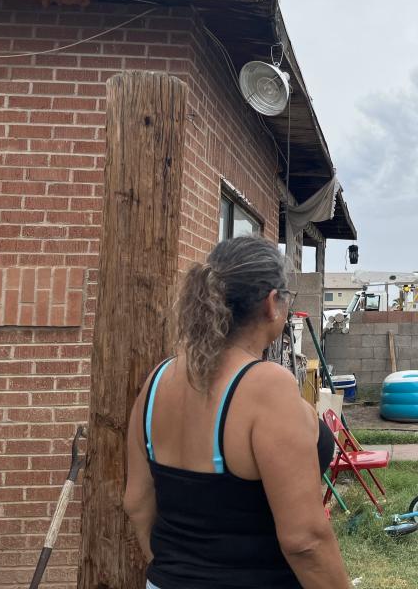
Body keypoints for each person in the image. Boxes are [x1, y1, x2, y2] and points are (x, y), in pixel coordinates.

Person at [124, 236, 351, 589]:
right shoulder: (266, 387)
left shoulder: (158, 379)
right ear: (273, 303)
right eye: (288, 298)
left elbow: (137, 502)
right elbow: (305, 540)